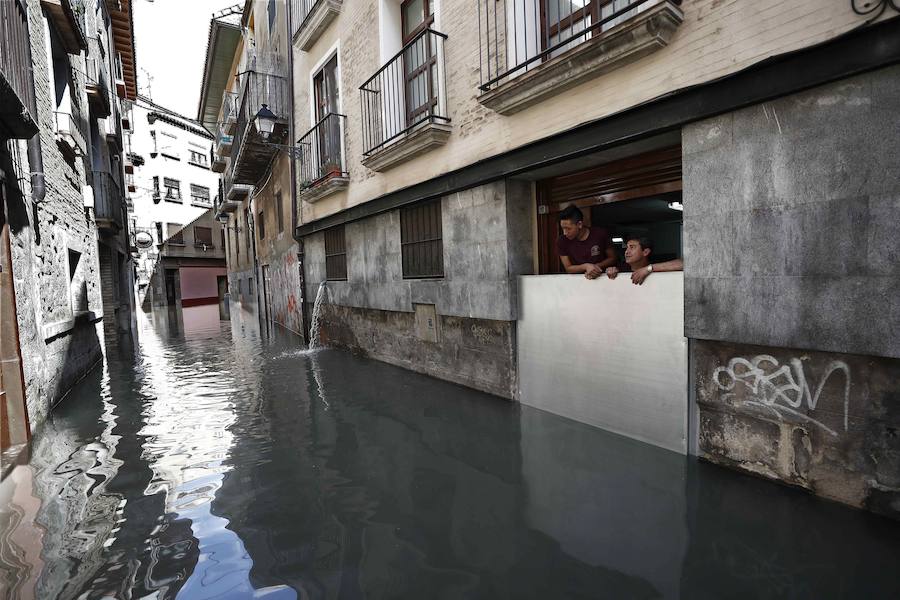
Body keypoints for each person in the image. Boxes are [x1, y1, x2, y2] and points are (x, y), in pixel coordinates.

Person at [556, 205, 616, 279]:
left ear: (579, 224)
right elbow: (568, 268)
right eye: (563, 228)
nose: (565, 233)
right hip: (577, 283)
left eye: (568, 229)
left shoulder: (600, 234)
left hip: (602, 279)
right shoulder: (562, 241)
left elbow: (612, 258)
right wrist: (586, 266)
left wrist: (594, 267)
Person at [606, 236, 683, 285]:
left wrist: (648, 269)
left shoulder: (656, 266)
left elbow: (684, 264)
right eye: (627, 248)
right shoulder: (621, 268)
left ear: (645, 252)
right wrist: (611, 271)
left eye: (632, 247)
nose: (626, 251)